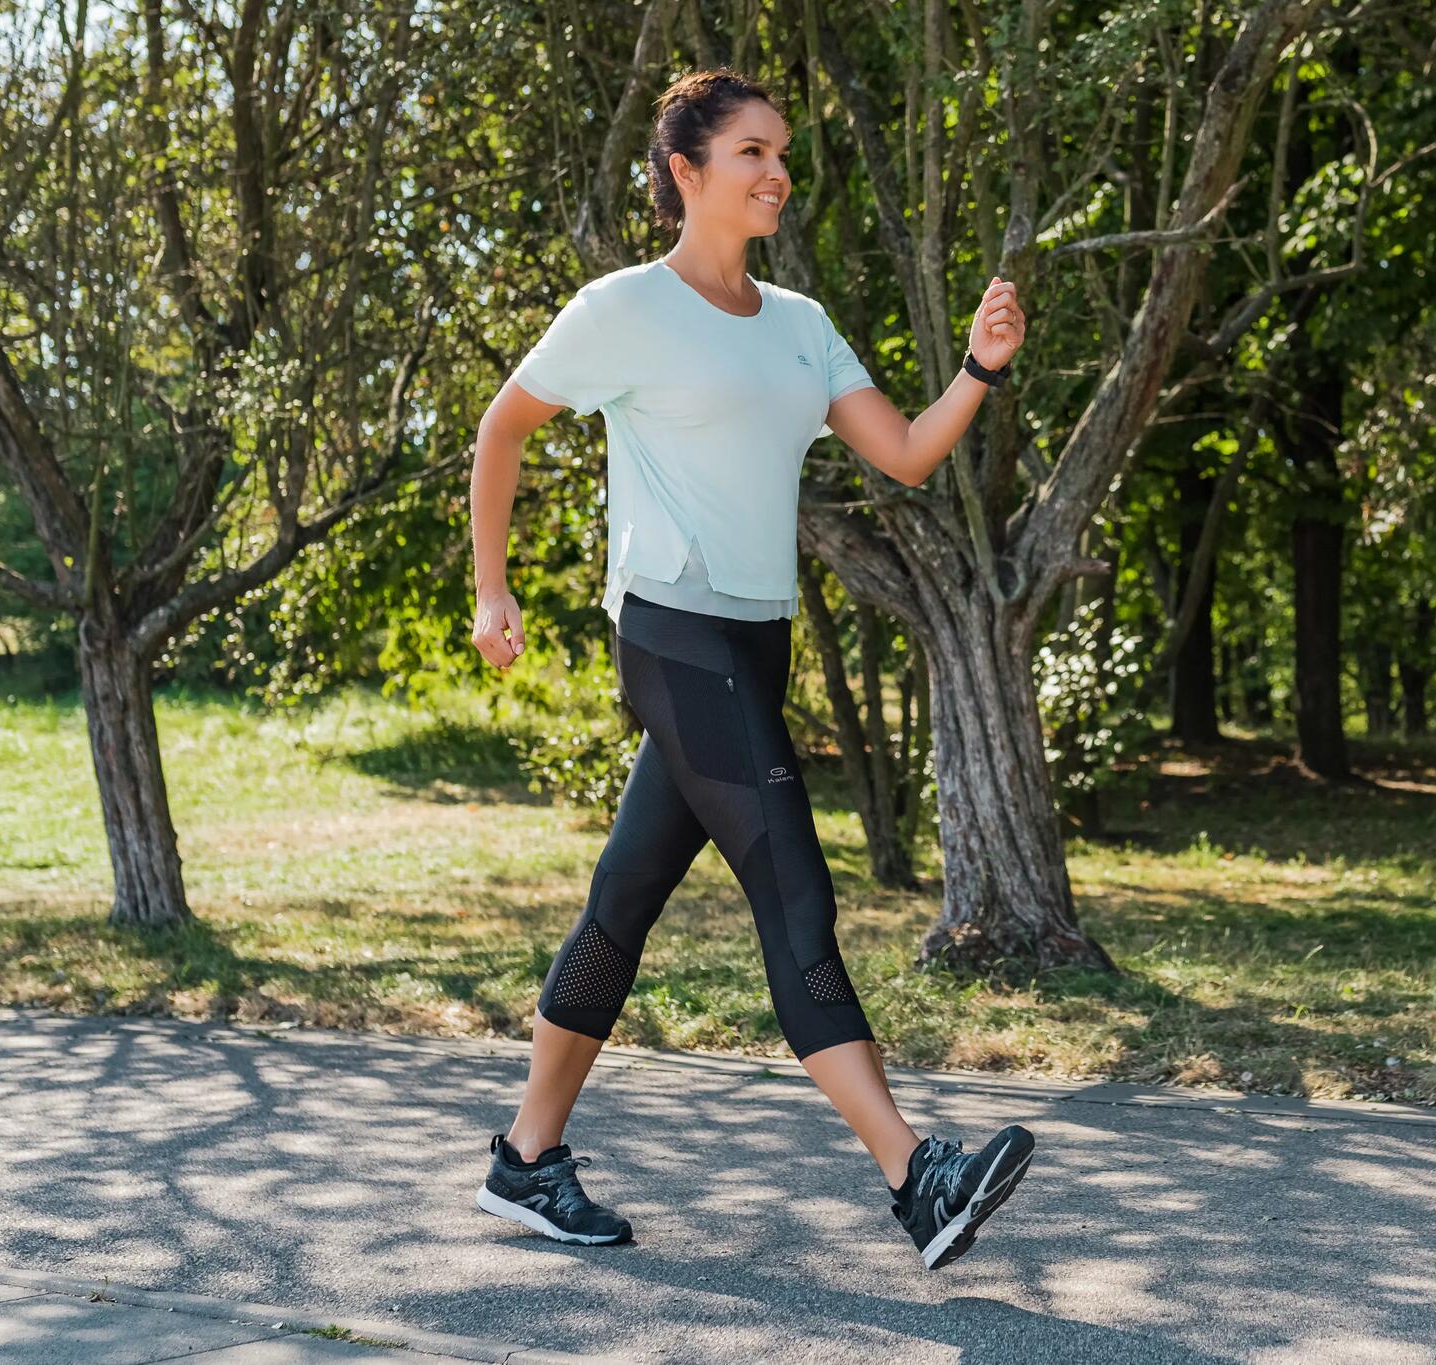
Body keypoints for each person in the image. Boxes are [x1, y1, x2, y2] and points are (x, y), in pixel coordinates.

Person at [468, 68, 1030, 1271]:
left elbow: (908, 455)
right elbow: (503, 429)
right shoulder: (625, 308)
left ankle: (525, 1160)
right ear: (686, 172)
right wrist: (493, 587)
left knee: (622, 902)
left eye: (783, 153)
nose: (776, 171)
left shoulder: (800, 323)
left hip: (754, 641)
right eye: (751, 153)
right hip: (671, 632)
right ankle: (915, 1177)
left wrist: (978, 371)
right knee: (790, 881)